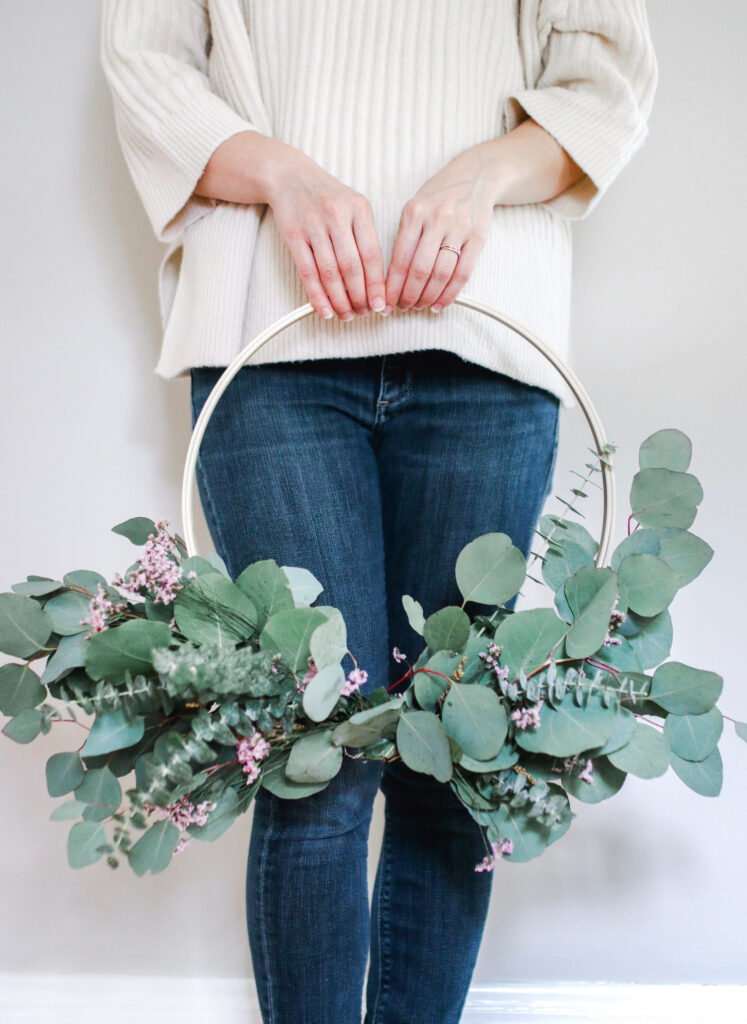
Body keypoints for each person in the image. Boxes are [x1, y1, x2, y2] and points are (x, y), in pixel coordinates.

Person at [100, 2, 657, 1021]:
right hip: (270, 343)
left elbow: (607, 79)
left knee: (455, 753)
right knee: (317, 758)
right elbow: (147, 61)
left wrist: (479, 173)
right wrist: (285, 174)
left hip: (487, 348)